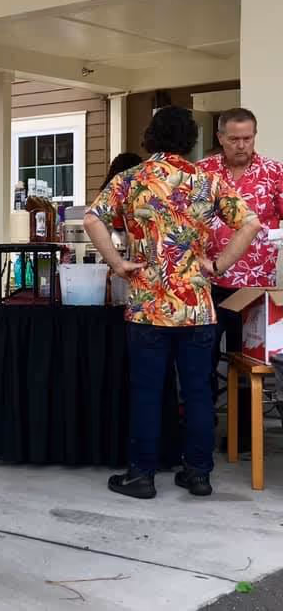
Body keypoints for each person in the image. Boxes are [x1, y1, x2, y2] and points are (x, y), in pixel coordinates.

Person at [85, 106, 260, 500]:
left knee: (147, 391)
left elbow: (93, 218)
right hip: (197, 306)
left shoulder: (131, 179)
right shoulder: (207, 179)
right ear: (191, 140)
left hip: (148, 304)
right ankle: (198, 474)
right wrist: (218, 264)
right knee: (198, 391)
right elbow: (250, 222)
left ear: (150, 137)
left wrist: (117, 263)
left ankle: (142, 476)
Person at [197, 108, 283, 396]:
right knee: (202, 360)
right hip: (209, 283)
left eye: (247, 138)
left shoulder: (274, 172)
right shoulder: (202, 172)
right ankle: (203, 427)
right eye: (234, 139)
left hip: (255, 288)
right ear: (221, 137)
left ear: (255, 136)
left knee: (249, 365)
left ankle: (244, 437)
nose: (242, 145)